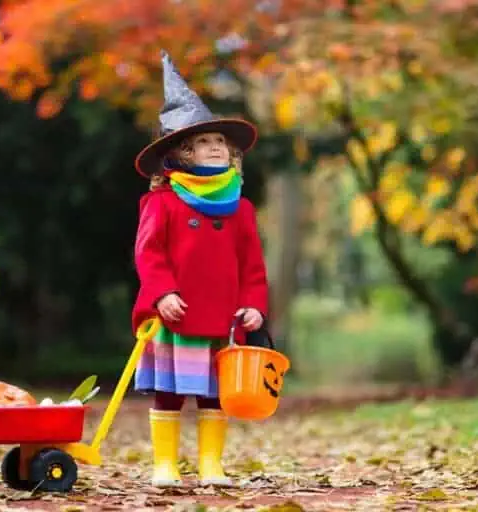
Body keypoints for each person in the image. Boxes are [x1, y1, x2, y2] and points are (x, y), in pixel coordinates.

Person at [131, 51, 270, 487]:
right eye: (205, 141)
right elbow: (149, 253)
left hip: (224, 319)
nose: (216, 147)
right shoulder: (163, 202)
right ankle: (165, 464)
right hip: (177, 313)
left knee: (214, 394)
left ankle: (211, 464)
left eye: (221, 142)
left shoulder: (241, 209)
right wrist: (162, 293)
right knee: (170, 392)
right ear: (182, 153)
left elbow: (252, 264)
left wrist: (254, 305)